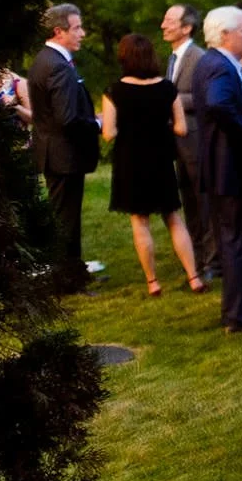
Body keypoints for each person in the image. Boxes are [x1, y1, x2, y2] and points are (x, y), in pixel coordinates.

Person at [101, 33, 204, 297]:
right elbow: (181, 128)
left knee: (140, 220)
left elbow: (109, 133)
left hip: (131, 160)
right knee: (173, 217)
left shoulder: (114, 91)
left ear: (124, 57)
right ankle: (193, 276)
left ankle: (153, 282)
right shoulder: (168, 88)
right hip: (160, 158)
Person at [193, 6, 242, 334]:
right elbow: (219, 104)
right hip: (232, 168)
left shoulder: (216, 63)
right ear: (224, 35)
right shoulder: (219, 66)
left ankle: (235, 313)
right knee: (240, 242)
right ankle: (239, 317)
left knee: (234, 241)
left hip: (226, 168)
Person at [28, 2, 101, 294]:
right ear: (59, 31)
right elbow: (68, 119)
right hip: (63, 154)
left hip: (56, 152)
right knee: (65, 221)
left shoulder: (47, 60)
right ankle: (67, 282)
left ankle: (74, 274)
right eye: (77, 28)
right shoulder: (56, 66)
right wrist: (97, 124)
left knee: (66, 218)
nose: (82, 33)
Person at [161, 3, 215, 280]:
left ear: (186, 27)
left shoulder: (199, 58)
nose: (163, 25)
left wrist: (168, 98)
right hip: (180, 144)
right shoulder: (172, 58)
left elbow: (205, 97)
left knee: (204, 201)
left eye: (170, 21)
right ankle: (196, 256)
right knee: (189, 201)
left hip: (196, 142)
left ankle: (212, 261)